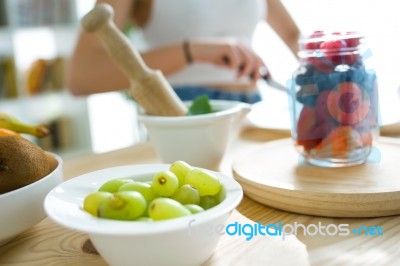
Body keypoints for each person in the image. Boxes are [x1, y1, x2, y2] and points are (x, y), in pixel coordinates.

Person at [67, 0, 300, 104]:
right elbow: (81, 77)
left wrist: (328, 75)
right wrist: (191, 50)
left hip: (250, 110)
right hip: (180, 116)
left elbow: (293, 36)